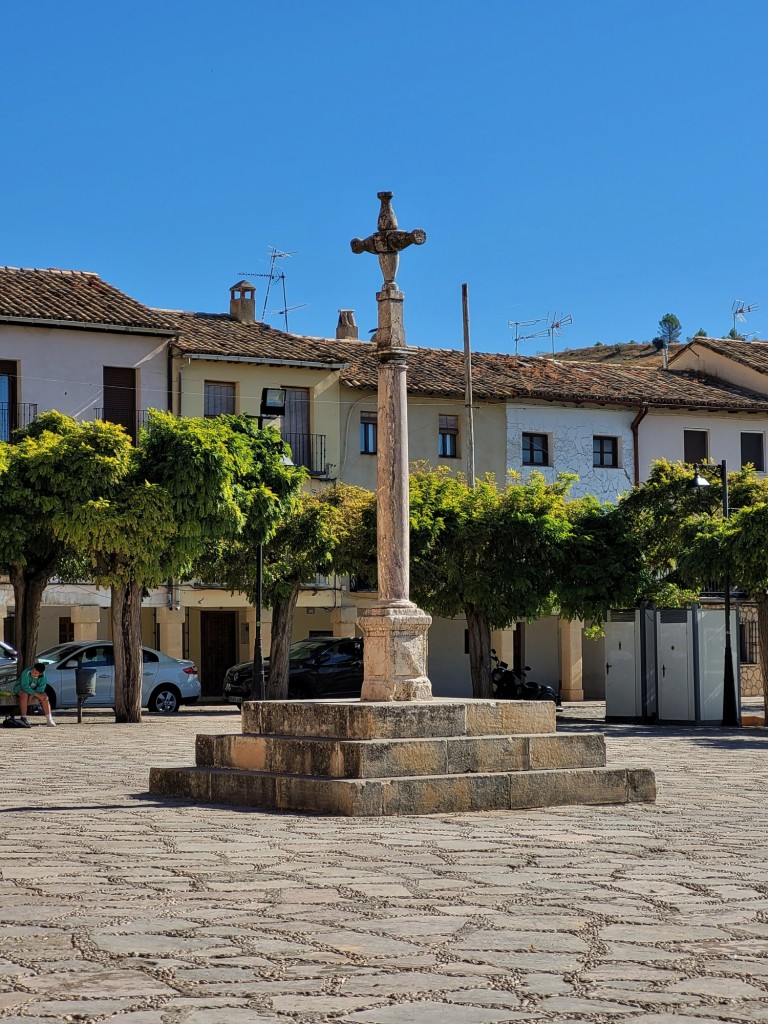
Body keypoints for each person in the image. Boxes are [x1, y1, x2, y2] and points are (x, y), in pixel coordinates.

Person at [13, 662, 56, 727]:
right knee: (24, 694)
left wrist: (33, 694)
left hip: (34, 691)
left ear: (40, 674)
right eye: (33, 670)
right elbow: (25, 687)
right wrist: (35, 694)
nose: (33, 673)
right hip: (21, 689)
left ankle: (49, 719)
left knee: (45, 697)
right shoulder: (26, 672)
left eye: (35, 673)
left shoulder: (43, 677)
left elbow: (41, 689)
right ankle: (23, 718)